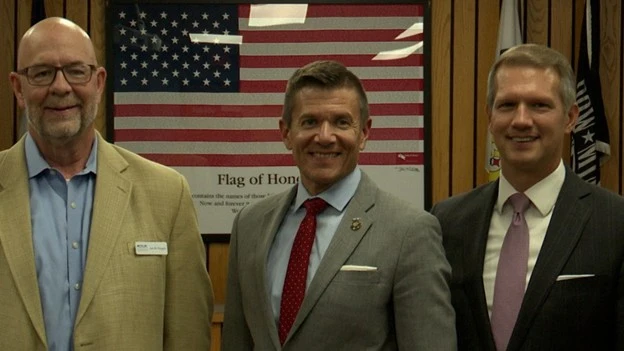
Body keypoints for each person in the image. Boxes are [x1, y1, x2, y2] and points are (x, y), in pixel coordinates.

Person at [1, 17, 214, 350]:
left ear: (99, 82)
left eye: (76, 70)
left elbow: (187, 336)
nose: (60, 87)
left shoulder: (167, 194)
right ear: (18, 88)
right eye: (42, 73)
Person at [222, 60, 456, 350]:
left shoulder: (410, 232)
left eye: (341, 122)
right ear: (286, 133)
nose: (324, 136)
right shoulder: (249, 225)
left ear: (364, 134)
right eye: (309, 122)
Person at [431, 43, 624, 350]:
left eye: (539, 105)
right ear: (490, 117)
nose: (521, 120)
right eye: (507, 105)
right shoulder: (447, 221)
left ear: (571, 118)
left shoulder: (615, 223)